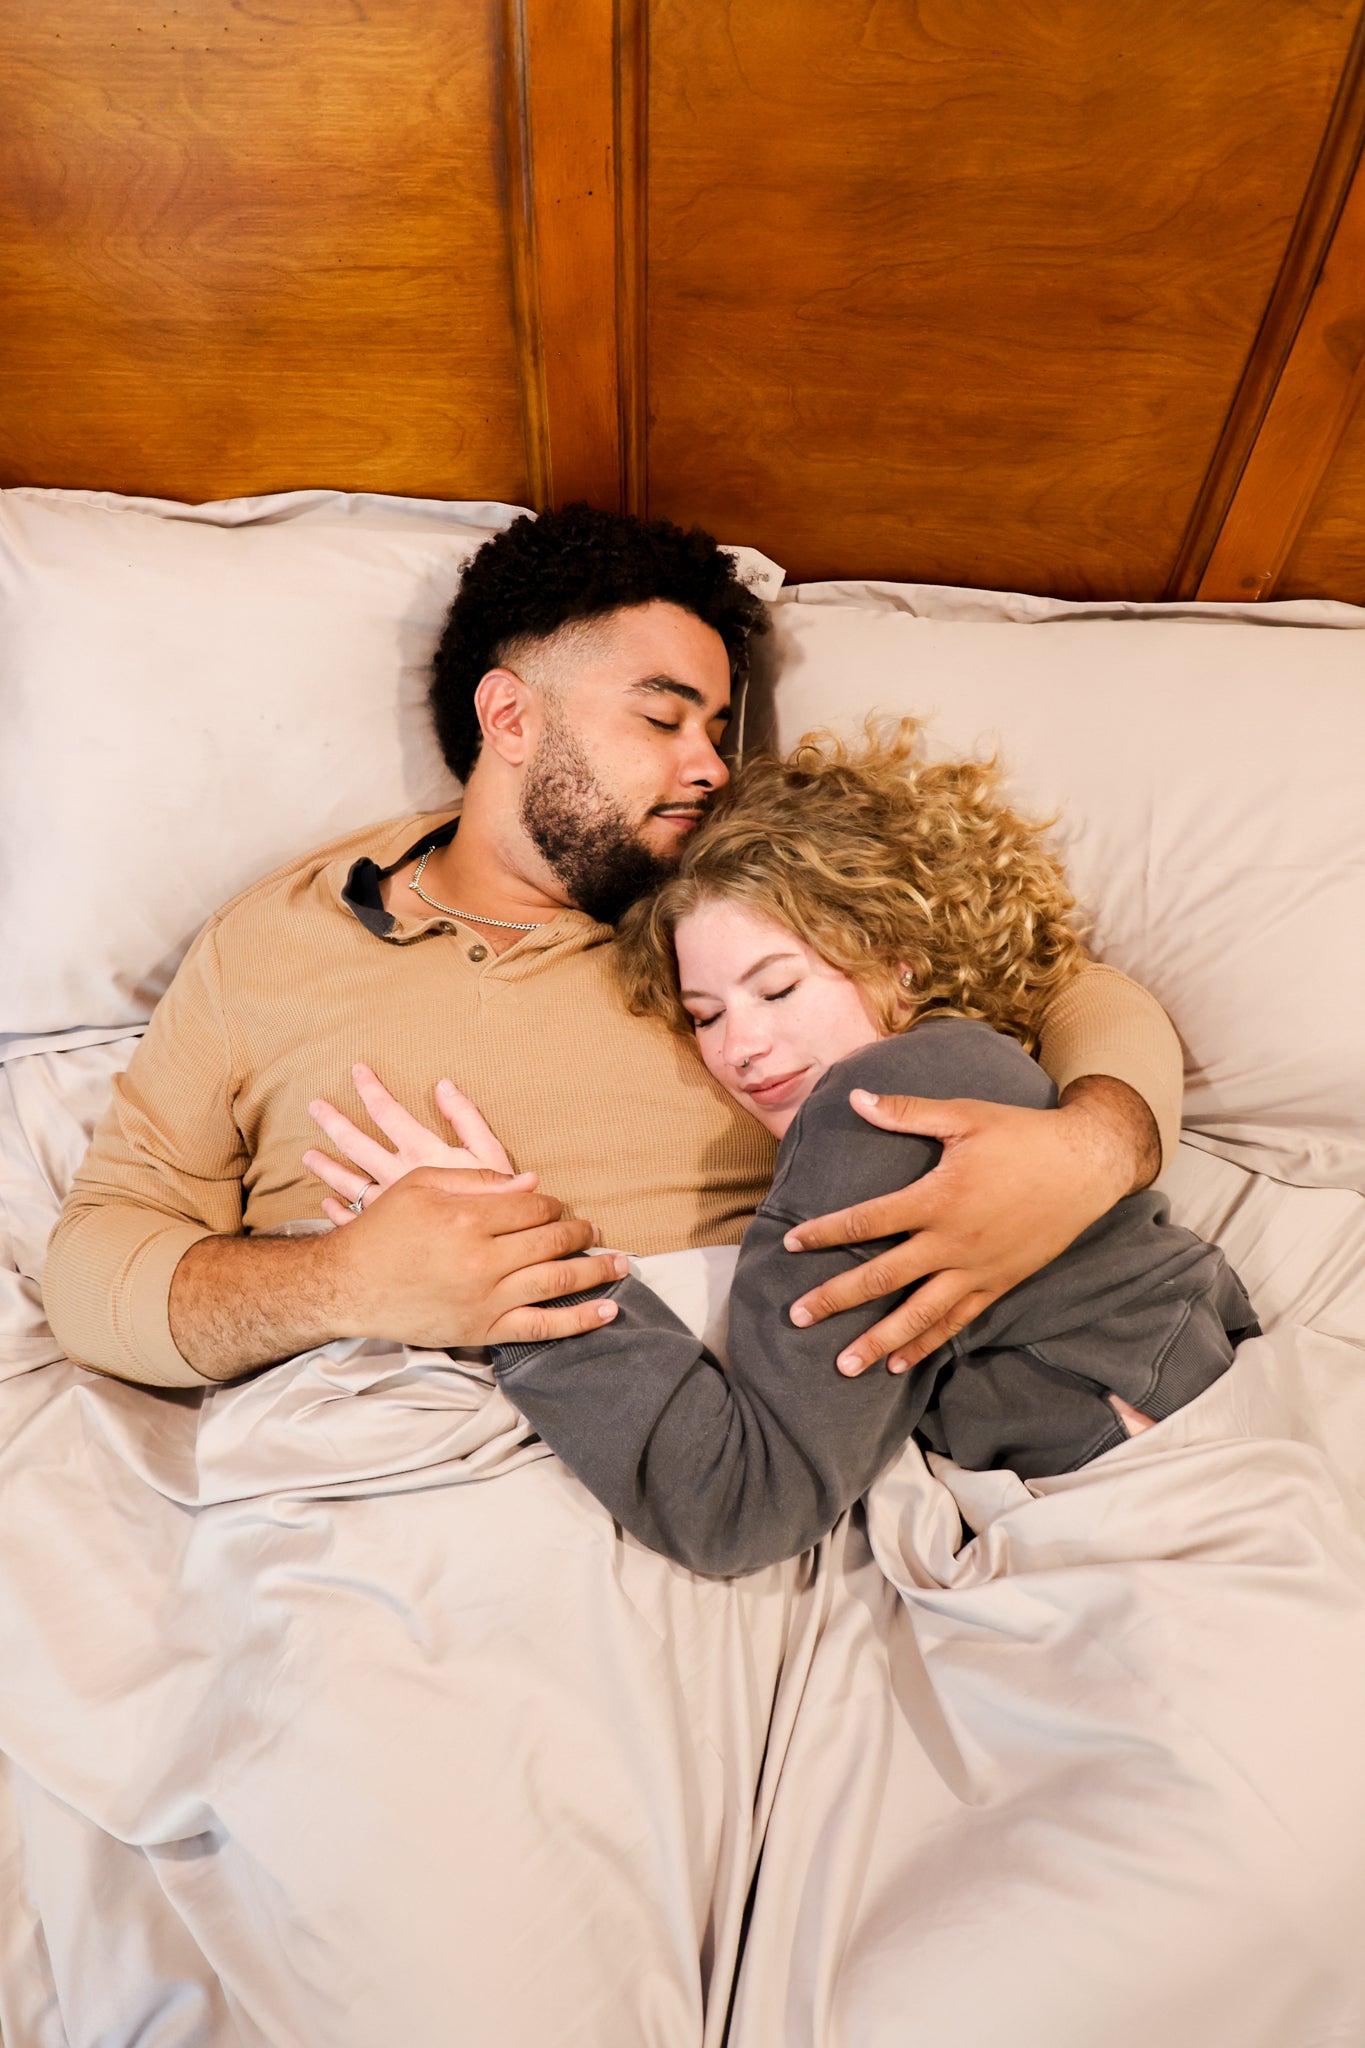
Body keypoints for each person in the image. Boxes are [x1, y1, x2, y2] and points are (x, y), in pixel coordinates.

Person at [44, 505, 1178, 1406]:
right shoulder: (278, 937)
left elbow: (1080, 993)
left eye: (719, 730)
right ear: (511, 717)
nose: (710, 770)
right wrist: (344, 1282)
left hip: (707, 1435)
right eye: (662, 717)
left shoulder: (742, 914)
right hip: (361, 1432)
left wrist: (1095, 1146)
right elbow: (99, 1264)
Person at [307, 724, 1257, 1576]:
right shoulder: (983, 1070)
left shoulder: (881, 1108)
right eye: (706, 1016)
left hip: (1159, 1531)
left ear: (899, 963)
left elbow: (735, 1504)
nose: (741, 1048)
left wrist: (517, 1262)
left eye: (777, 988)